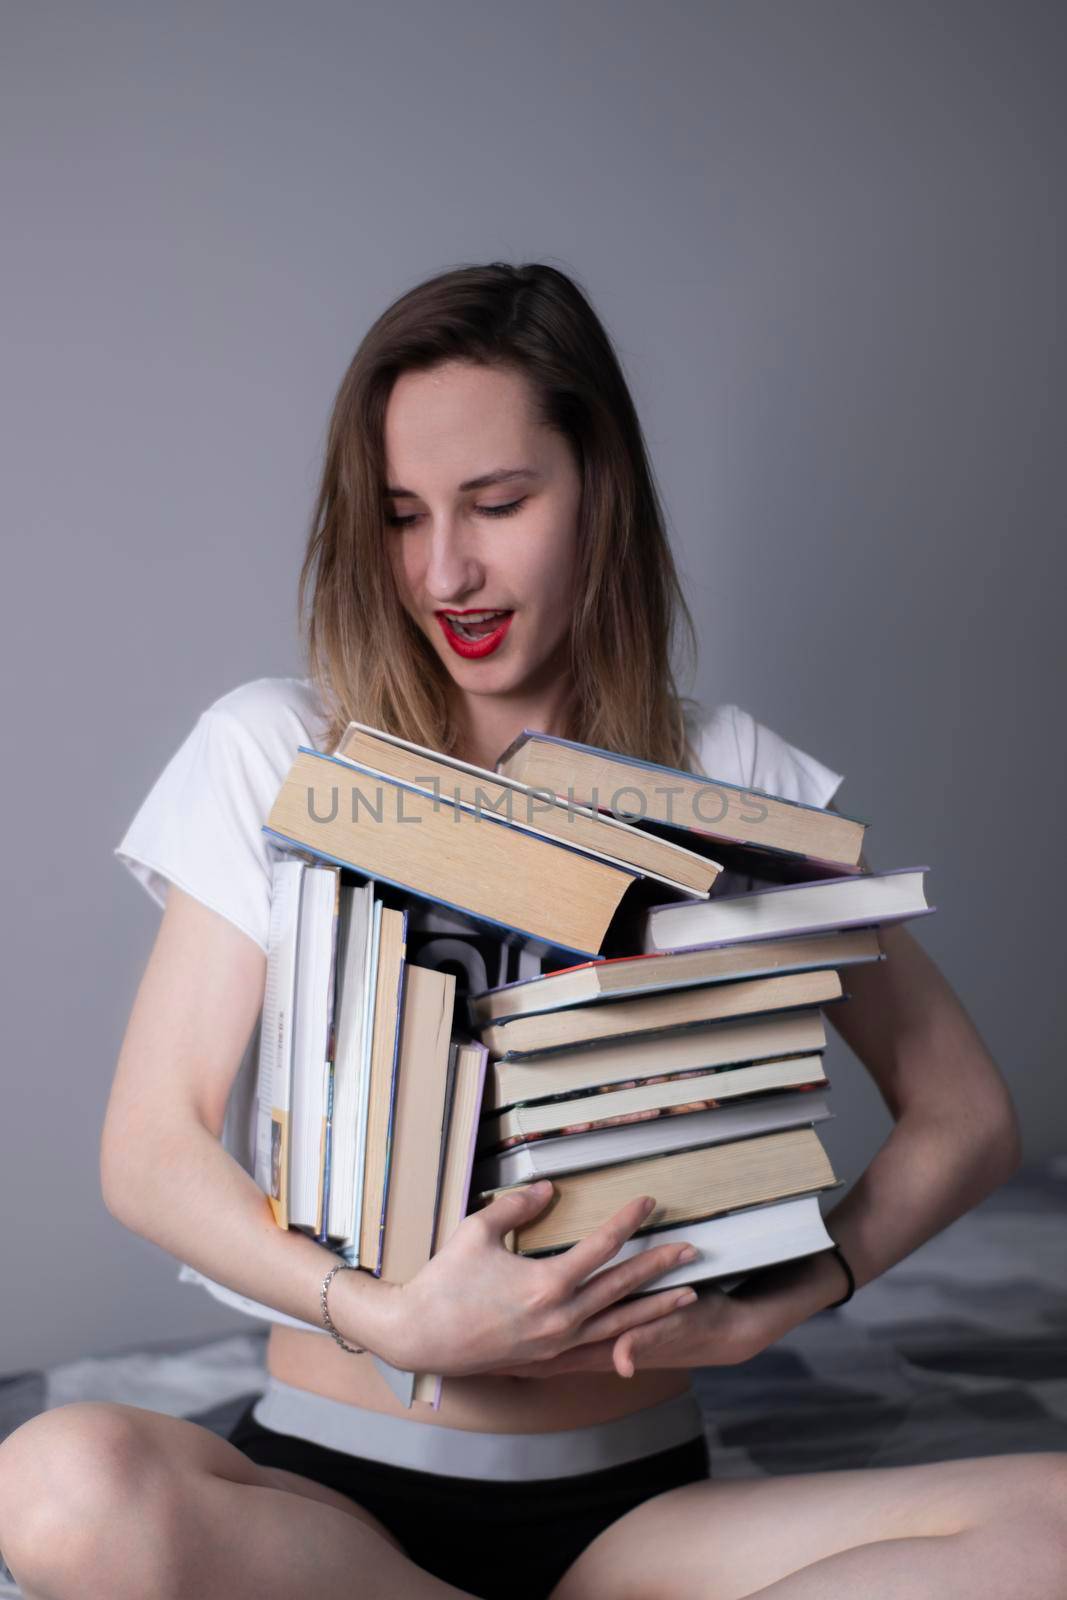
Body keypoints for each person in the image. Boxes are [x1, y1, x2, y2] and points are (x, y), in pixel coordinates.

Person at [1, 262, 1063, 1600]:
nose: (446, 569)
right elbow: (151, 1149)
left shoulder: (733, 776)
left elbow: (965, 1113)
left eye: (498, 504)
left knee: (1055, 1525)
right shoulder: (276, 745)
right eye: (400, 516)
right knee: (53, 1482)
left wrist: (810, 1289)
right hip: (326, 1509)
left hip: (632, 1522)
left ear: (598, 489)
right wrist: (386, 1313)